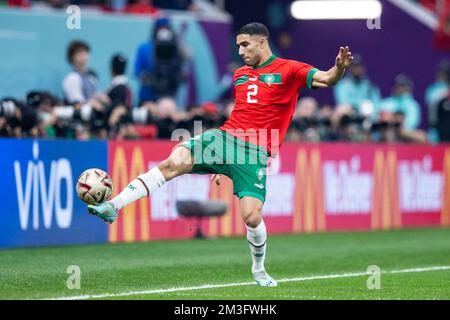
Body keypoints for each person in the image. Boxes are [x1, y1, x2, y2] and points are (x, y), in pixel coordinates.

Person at [87, 22, 353, 287]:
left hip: (255, 151)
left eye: (245, 45)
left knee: (251, 216)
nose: (241, 51)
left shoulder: (290, 69)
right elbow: (240, 115)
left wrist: (339, 67)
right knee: (175, 161)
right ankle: (114, 206)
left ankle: (259, 269)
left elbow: (327, 78)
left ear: (262, 42)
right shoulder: (240, 75)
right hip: (224, 138)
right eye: (238, 45)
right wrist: (218, 162)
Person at [62, 40, 98, 105]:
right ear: (72, 56)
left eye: (85, 52)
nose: (83, 55)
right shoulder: (72, 78)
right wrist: (91, 104)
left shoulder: (91, 77)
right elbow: (77, 105)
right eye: (79, 52)